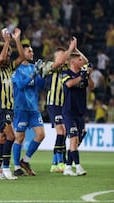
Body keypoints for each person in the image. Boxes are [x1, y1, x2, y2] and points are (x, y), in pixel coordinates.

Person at [0, 28, 25, 180]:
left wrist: (16, 39)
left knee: (3, 138)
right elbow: (1, 60)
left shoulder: (10, 68)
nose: (8, 57)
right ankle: (7, 169)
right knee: (11, 136)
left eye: (10, 54)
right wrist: (7, 41)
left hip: (9, 108)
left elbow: (22, 57)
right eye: (6, 54)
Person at [40, 38, 77, 173]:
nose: (62, 58)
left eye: (64, 55)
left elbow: (82, 63)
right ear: (55, 57)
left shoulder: (67, 69)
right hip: (53, 104)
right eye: (59, 55)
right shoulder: (49, 66)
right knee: (61, 131)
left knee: (64, 132)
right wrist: (70, 49)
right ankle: (59, 162)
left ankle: (56, 162)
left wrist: (75, 50)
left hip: (65, 105)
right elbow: (59, 62)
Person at [12, 44, 46, 176]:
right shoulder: (16, 69)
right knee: (20, 137)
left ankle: (25, 160)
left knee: (41, 134)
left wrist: (42, 74)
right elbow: (20, 85)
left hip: (33, 108)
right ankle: (16, 167)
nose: (32, 53)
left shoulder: (33, 67)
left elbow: (40, 86)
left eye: (32, 51)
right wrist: (33, 75)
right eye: (29, 51)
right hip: (21, 108)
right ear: (23, 53)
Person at [62, 50, 93, 176]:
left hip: (80, 112)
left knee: (75, 141)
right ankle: (78, 167)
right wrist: (82, 76)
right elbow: (69, 84)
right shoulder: (66, 73)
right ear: (73, 62)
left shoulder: (83, 73)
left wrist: (88, 76)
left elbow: (92, 86)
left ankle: (68, 167)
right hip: (69, 112)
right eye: (79, 60)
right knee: (74, 138)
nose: (82, 62)